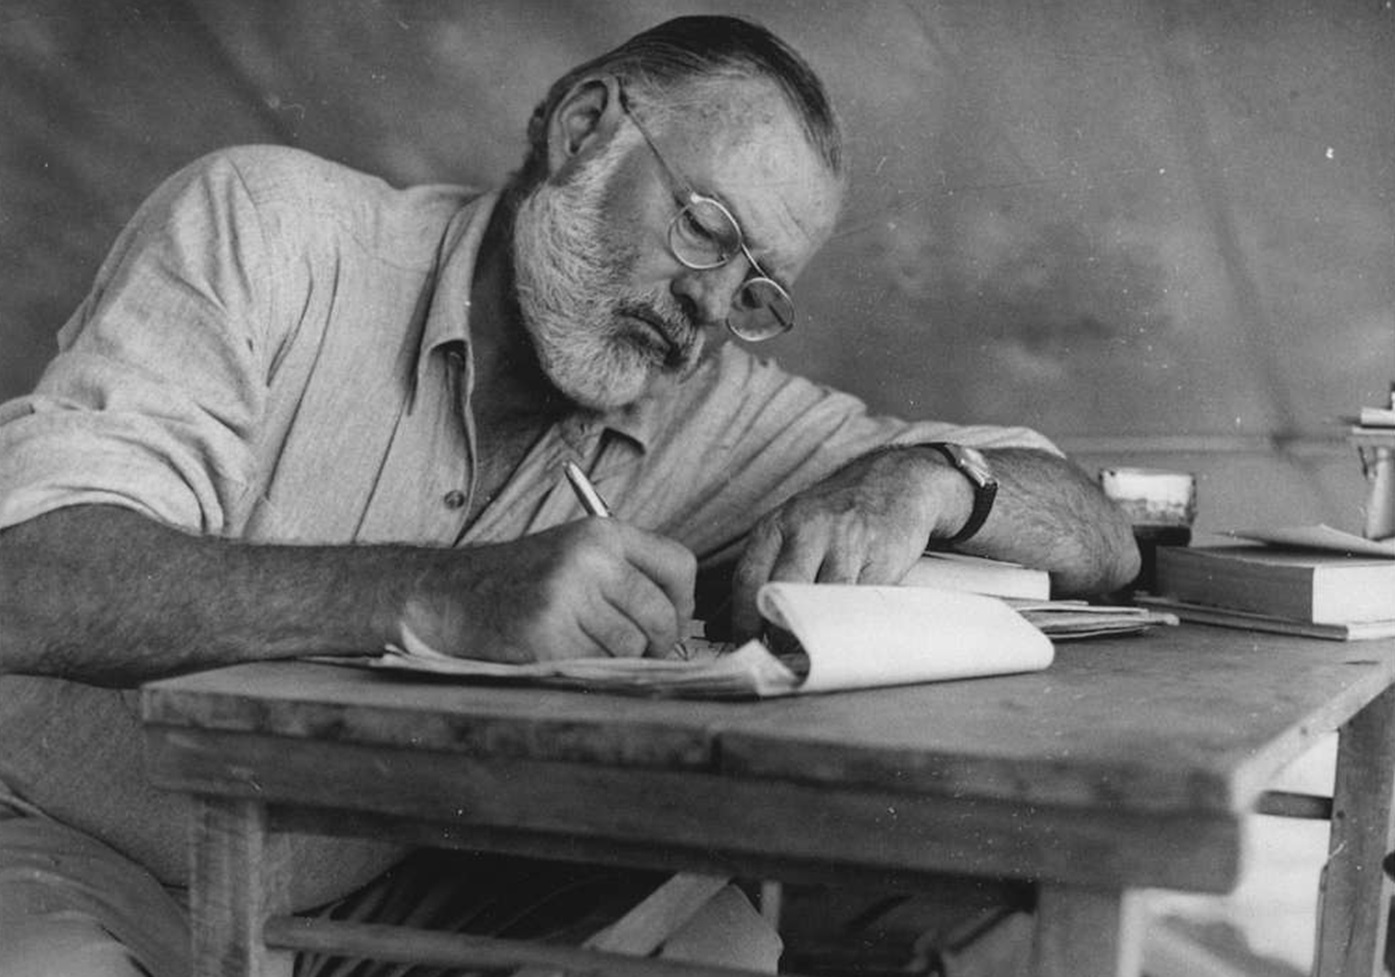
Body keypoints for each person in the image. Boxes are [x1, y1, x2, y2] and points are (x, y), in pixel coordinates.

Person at [0, 13, 1139, 977]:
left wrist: (936, 476)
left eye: (756, 289)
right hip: (64, 839)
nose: (708, 302)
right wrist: (442, 600)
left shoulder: (707, 402)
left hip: (368, 899)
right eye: (705, 228)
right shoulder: (270, 226)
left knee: (729, 948)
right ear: (583, 125)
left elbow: (1105, 534)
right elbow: (32, 578)